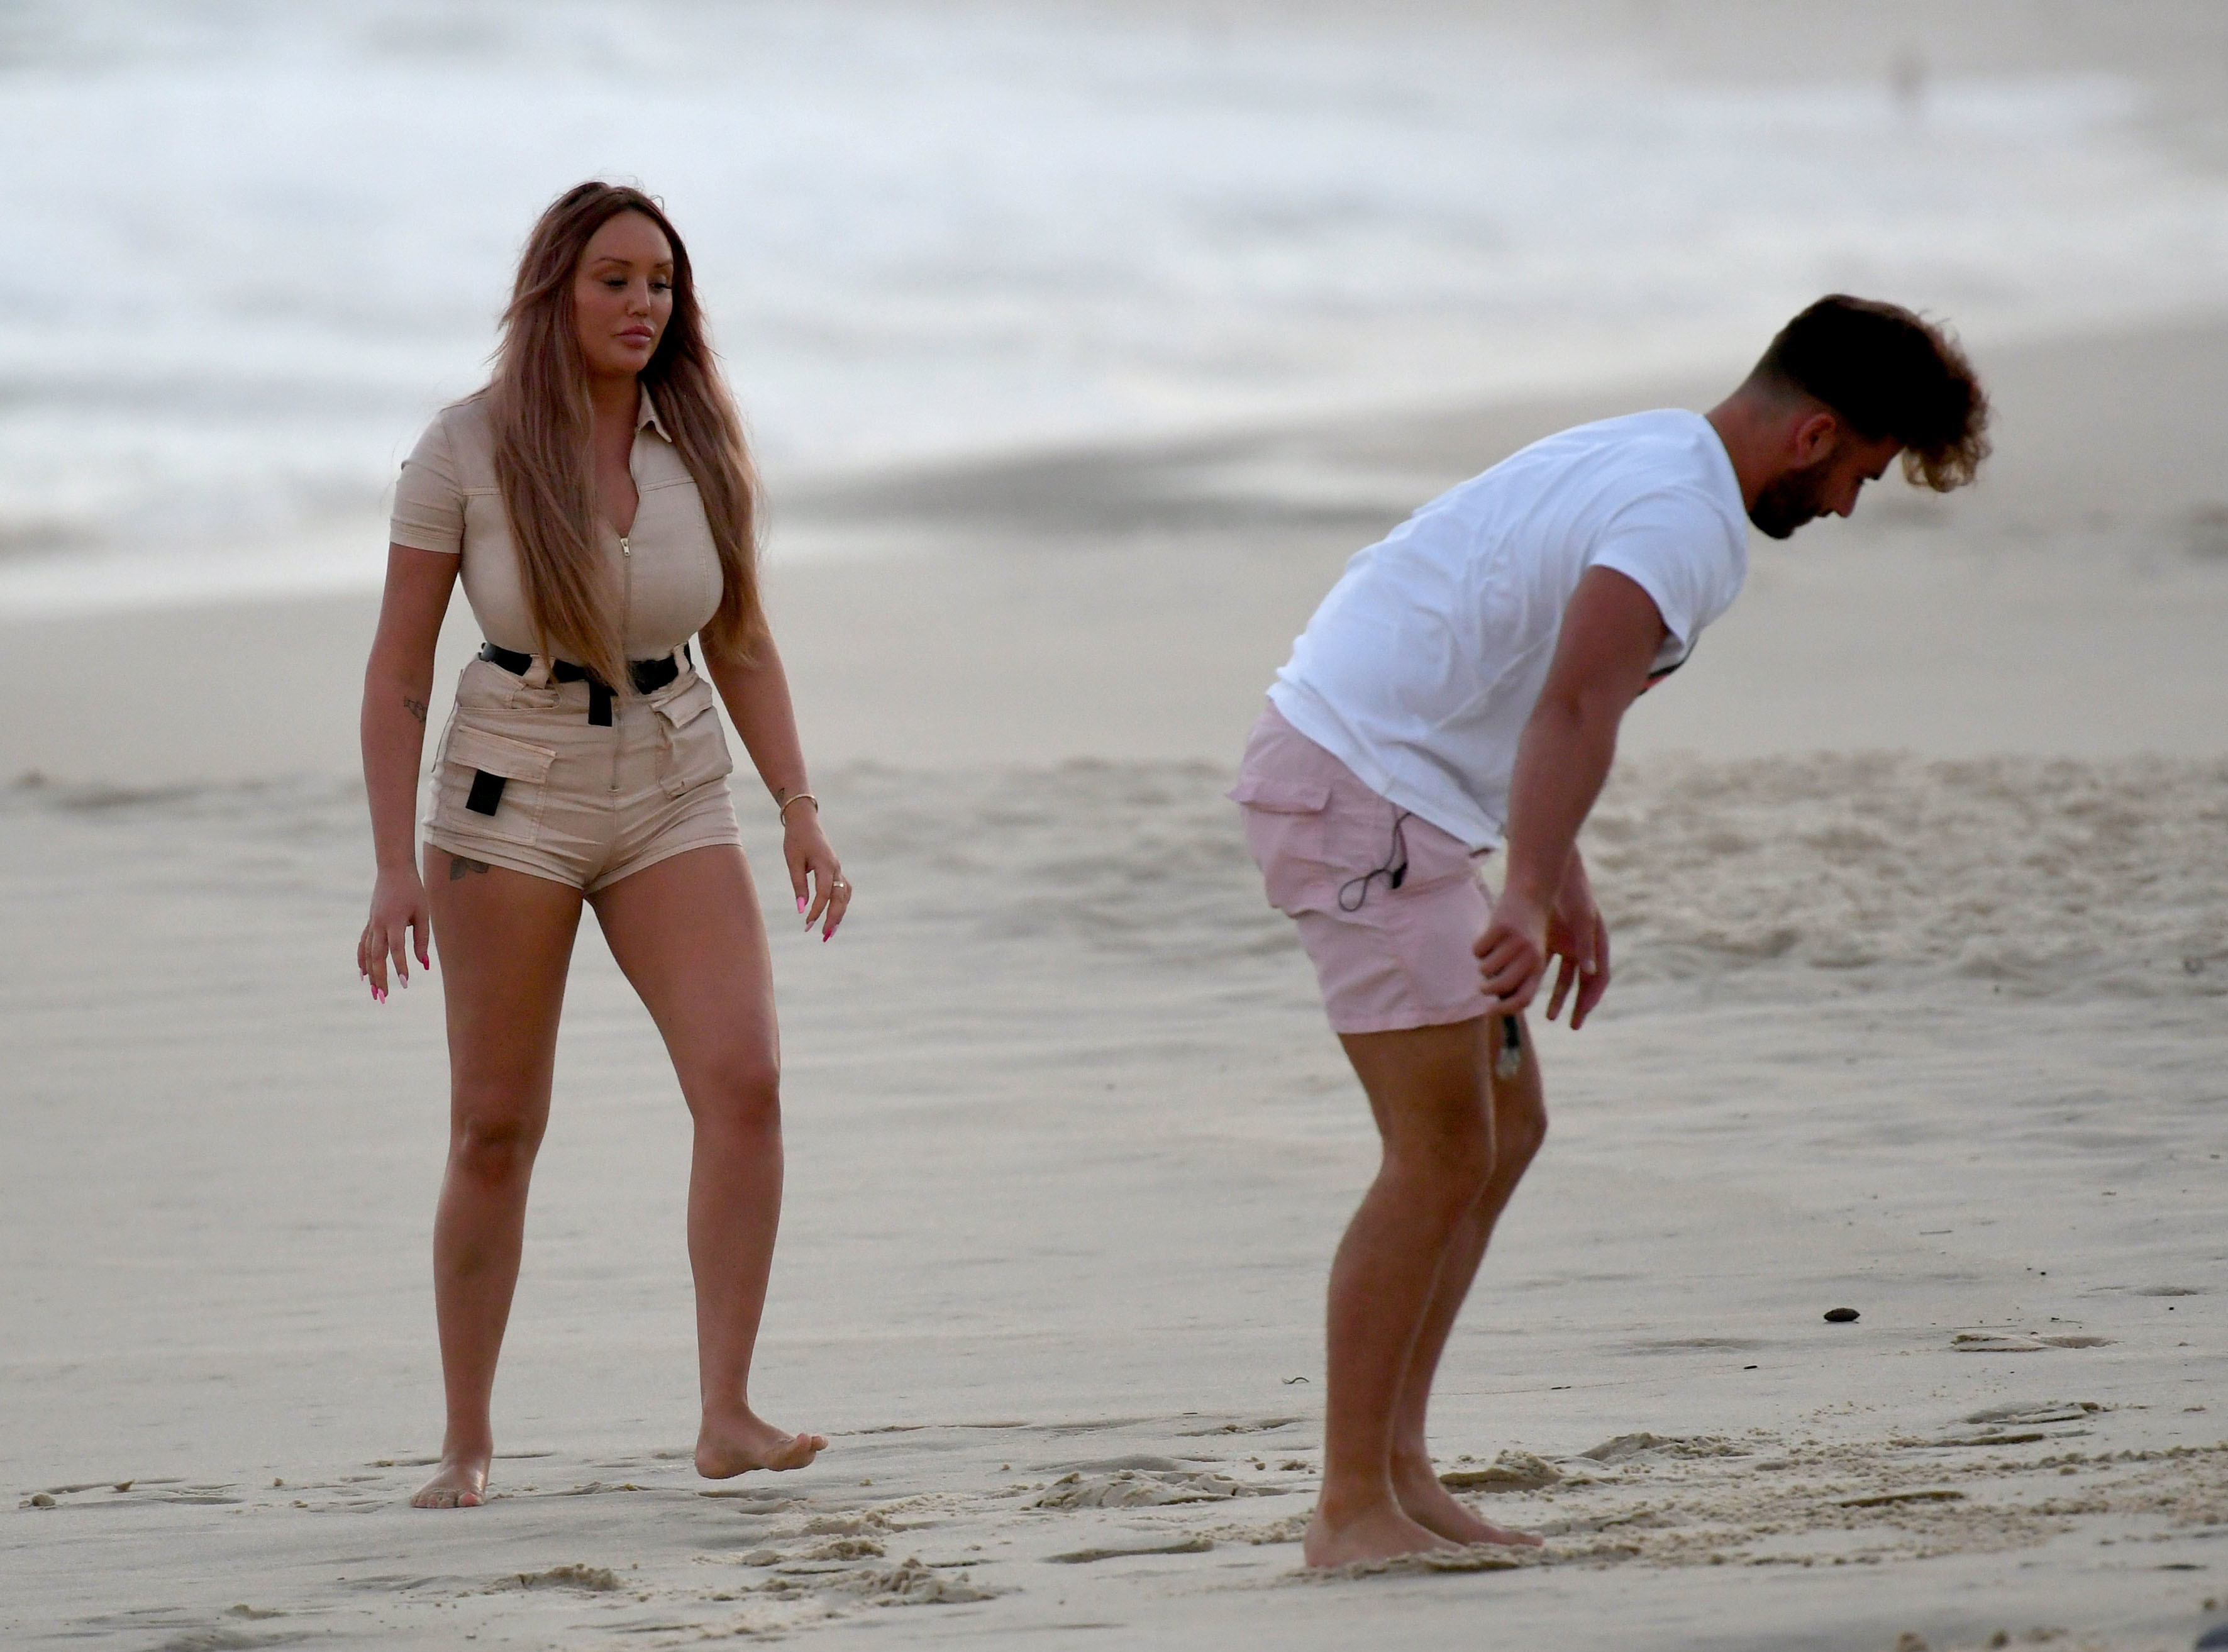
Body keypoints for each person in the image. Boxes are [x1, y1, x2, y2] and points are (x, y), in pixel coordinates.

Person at [1233, 296, 1990, 1567]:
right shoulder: (1680, 519)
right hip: (1360, 798)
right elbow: (1578, 704)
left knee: (1504, 1125)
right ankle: (1347, 1509)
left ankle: (1399, 1472)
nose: (1847, 507)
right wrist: (1524, 889)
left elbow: (1529, 673)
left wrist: (1556, 871)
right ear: (1814, 434)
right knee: (1435, 1153)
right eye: (1861, 475)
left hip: (1388, 790)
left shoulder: (1652, 452)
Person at [357, 182, 848, 1510]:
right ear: (554, 292)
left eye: (662, 284)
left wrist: (798, 804)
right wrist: (394, 866)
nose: (643, 305)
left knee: (744, 1081)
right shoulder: (463, 448)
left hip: (674, 781)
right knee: (495, 1126)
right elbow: (399, 667)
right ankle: (465, 1442)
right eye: (614, 281)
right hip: (508, 795)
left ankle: (727, 1414)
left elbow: (741, 638)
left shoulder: (700, 442)